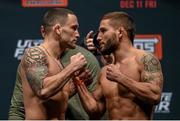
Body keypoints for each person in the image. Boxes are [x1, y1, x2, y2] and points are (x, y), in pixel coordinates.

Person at [9, 8, 99, 120]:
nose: (77, 34)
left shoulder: (57, 62)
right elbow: (43, 91)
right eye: (74, 28)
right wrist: (72, 67)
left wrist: (78, 84)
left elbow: (55, 98)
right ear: (58, 29)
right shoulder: (35, 53)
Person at [76, 11, 164, 120]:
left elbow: (154, 95)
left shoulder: (144, 59)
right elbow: (95, 111)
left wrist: (120, 78)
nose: (98, 37)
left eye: (103, 31)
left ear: (120, 32)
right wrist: (79, 82)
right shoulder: (105, 72)